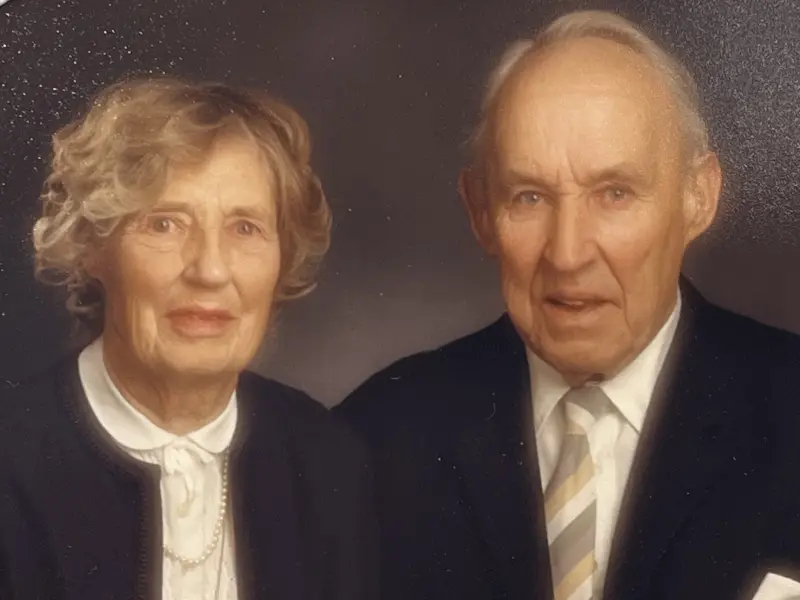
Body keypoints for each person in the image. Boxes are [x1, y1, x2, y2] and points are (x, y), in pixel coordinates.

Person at [336, 10, 800, 600]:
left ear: (698, 198)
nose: (568, 253)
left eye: (614, 193)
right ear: (480, 211)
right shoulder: (371, 442)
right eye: (529, 197)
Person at [0, 77, 377, 600]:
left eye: (245, 227)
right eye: (165, 224)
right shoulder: (11, 458)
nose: (210, 270)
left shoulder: (327, 459)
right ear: (91, 247)